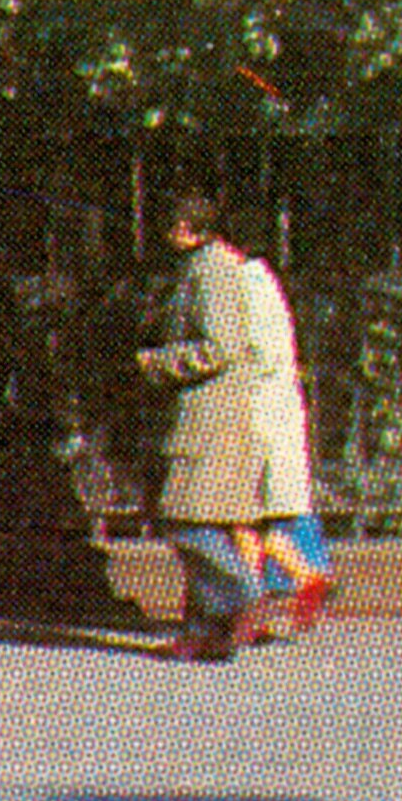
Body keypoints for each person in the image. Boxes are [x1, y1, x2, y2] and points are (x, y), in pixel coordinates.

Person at [133, 187, 329, 661]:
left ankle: (243, 594)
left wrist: (156, 363)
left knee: (185, 520)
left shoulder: (220, 274)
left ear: (186, 230)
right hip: (228, 416)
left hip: (216, 419)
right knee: (217, 524)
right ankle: (207, 634)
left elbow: (223, 347)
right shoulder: (215, 270)